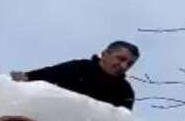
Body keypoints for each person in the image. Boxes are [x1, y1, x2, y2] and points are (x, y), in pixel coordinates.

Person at [11, 41, 139, 109]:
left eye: (129, 64)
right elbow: (44, 75)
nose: (124, 66)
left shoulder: (124, 92)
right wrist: (23, 78)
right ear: (105, 54)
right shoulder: (79, 68)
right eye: (121, 59)